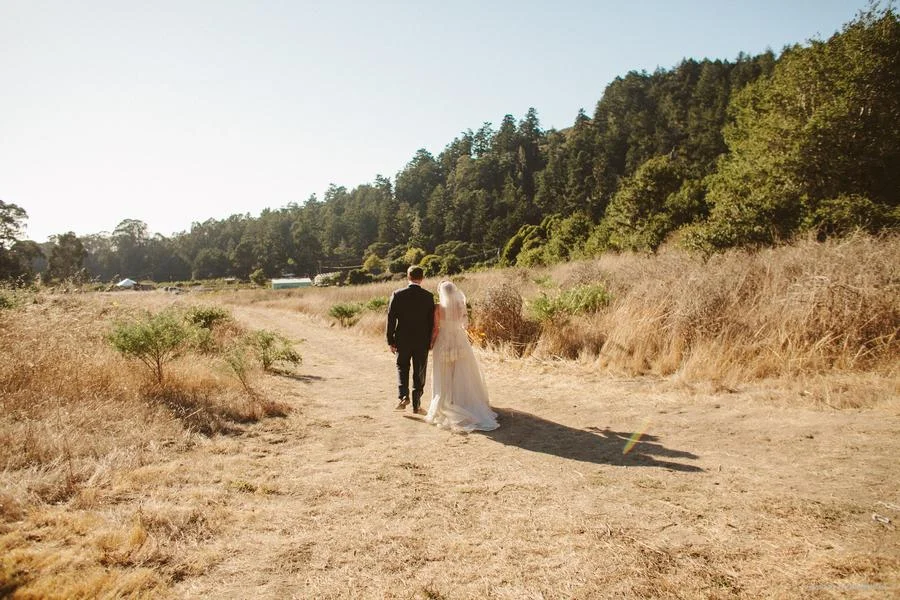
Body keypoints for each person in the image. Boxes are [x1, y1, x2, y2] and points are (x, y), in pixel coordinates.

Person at [425, 280, 499, 432]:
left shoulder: (438, 307)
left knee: (443, 371)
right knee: (462, 370)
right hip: (459, 339)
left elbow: (436, 328)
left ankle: (447, 401)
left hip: (444, 340)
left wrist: (431, 342)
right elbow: (464, 324)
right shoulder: (460, 305)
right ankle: (464, 400)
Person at [386, 265, 435, 414]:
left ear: (408, 277)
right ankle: (416, 405)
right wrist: (430, 340)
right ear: (422, 278)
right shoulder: (428, 296)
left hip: (402, 339)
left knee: (402, 367)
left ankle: (404, 396)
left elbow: (391, 319)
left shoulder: (397, 294)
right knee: (419, 371)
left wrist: (390, 340)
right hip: (422, 341)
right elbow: (431, 322)